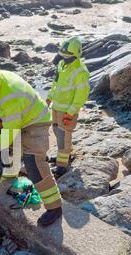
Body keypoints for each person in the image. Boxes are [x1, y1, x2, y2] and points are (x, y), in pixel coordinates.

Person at [0, 64, 63, 226]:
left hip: (36, 121)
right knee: (9, 149)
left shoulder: (11, 94)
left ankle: (55, 207)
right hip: (16, 118)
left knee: (34, 163)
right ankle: (9, 175)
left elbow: (11, 131)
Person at [47, 37, 90, 178]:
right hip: (56, 106)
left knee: (63, 136)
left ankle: (62, 165)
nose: (64, 58)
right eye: (63, 56)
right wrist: (49, 97)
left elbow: (81, 95)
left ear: (75, 55)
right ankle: (64, 155)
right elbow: (56, 83)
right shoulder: (61, 64)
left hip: (67, 110)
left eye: (67, 57)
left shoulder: (80, 71)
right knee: (55, 129)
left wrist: (71, 113)